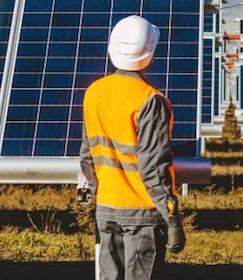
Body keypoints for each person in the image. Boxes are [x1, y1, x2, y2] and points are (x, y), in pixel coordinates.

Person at [78, 15, 185, 280]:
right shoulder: (150, 101)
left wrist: (92, 194)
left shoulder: (94, 92)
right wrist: (171, 216)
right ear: (150, 55)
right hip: (142, 215)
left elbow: (87, 154)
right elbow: (153, 167)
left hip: (106, 209)